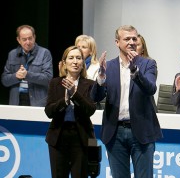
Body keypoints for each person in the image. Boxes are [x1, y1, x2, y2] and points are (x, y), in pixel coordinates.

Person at [91, 25, 162, 178]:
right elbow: (95, 97)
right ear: (117, 42)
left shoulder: (148, 64)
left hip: (142, 131)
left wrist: (135, 71)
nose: (131, 42)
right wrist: (101, 77)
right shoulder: (108, 66)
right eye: (126, 39)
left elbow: (150, 89)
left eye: (134, 38)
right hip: (115, 132)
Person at [45, 46, 97, 178]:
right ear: (64, 62)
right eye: (71, 58)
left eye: (79, 58)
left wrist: (74, 94)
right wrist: (65, 100)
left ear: (83, 63)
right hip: (58, 137)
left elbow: (90, 110)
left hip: (81, 138)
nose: (75, 61)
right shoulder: (55, 83)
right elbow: (49, 111)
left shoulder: (90, 84)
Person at [1, 25, 53, 106]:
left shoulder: (44, 53)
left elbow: (48, 79)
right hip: (16, 101)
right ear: (18, 40)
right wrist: (16, 76)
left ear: (34, 37)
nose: (28, 42)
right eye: (24, 39)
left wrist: (27, 75)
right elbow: (5, 80)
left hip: (37, 102)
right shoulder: (12, 54)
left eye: (30, 38)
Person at [136, 34, 158, 113]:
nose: (134, 47)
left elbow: (150, 86)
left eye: (137, 45)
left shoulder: (150, 63)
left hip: (145, 108)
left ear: (143, 49)